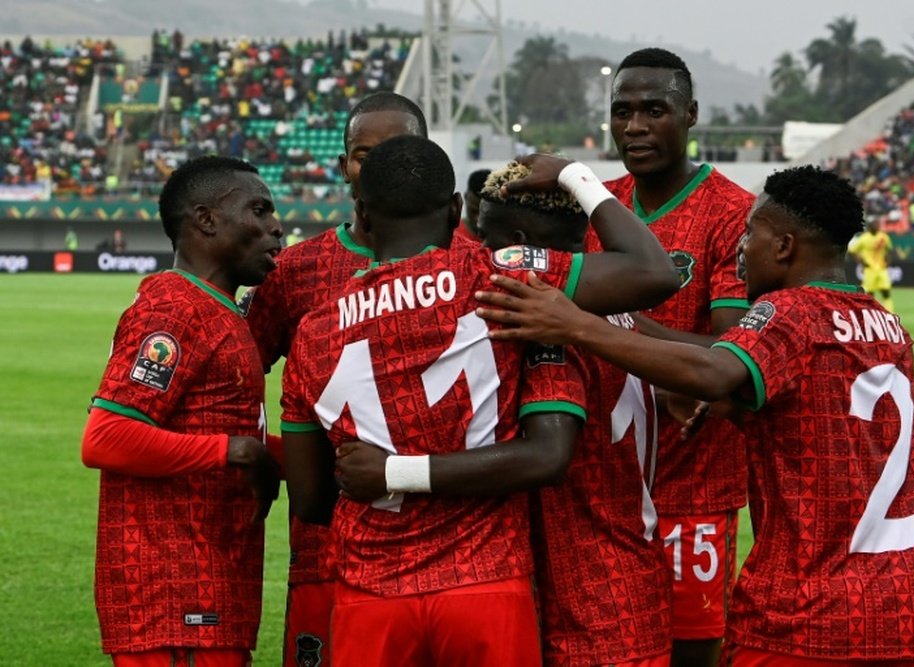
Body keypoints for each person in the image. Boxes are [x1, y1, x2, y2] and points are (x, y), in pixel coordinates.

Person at [476, 165, 914, 666]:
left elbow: (714, 369)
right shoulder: (888, 327)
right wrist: (730, 404)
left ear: (783, 247)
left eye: (750, 233)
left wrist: (578, 326)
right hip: (899, 614)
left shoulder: (790, 312)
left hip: (803, 616)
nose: (740, 247)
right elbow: (820, 417)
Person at [280, 137, 678, 666]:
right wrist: (573, 175)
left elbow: (309, 500)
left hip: (371, 591)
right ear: (453, 210)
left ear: (363, 215)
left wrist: (391, 476)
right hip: (486, 581)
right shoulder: (500, 279)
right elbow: (654, 274)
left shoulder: (313, 331)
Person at [240, 90, 432, 667]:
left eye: (395, 151)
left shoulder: (468, 258)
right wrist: (274, 455)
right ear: (343, 163)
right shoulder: (296, 271)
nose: (375, 168)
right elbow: (238, 376)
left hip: (447, 542)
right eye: (361, 154)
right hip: (327, 547)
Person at [80, 155, 284, 666]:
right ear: (206, 219)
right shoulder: (174, 307)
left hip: (210, 585)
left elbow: (222, 424)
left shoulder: (218, 308)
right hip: (174, 598)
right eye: (258, 210)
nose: (275, 226)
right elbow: (106, 437)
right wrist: (238, 452)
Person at [597, 46, 755, 667]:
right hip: (602, 487)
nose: (635, 127)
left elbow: (733, 354)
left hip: (695, 483)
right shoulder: (598, 207)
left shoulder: (734, 213)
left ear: (690, 115)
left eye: (654, 110)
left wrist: (617, 322)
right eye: (622, 112)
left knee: (691, 651)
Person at [848, 217, 895, 313]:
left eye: (878, 225)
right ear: (870, 227)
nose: (878, 226)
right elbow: (852, 251)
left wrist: (888, 262)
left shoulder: (884, 237)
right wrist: (861, 262)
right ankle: (872, 313)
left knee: (886, 292)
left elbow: (889, 250)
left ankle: (890, 313)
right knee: (870, 294)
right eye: (875, 225)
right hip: (870, 270)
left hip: (882, 269)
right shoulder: (864, 239)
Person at [458, 167, 491, 242]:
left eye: (484, 213)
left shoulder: (506, 239)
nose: (477, 219)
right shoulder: (450, 236)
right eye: (473, 211)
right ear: (465, 197)